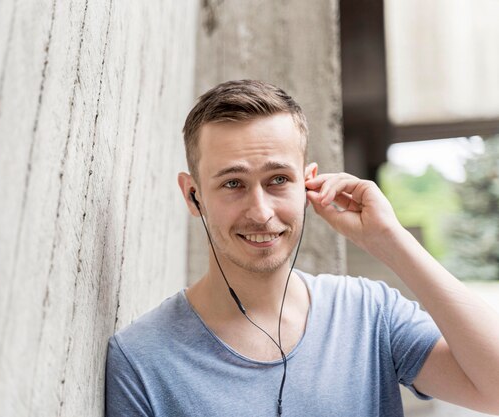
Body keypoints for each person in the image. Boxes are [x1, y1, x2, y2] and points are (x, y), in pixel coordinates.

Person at [105, 80, 499, 416]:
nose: (260, 212)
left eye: (278, 179)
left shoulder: (369, 313)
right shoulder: (141, 360)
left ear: (308, 183)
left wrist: (390, 240)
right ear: (193, 196)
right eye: (232, 184)